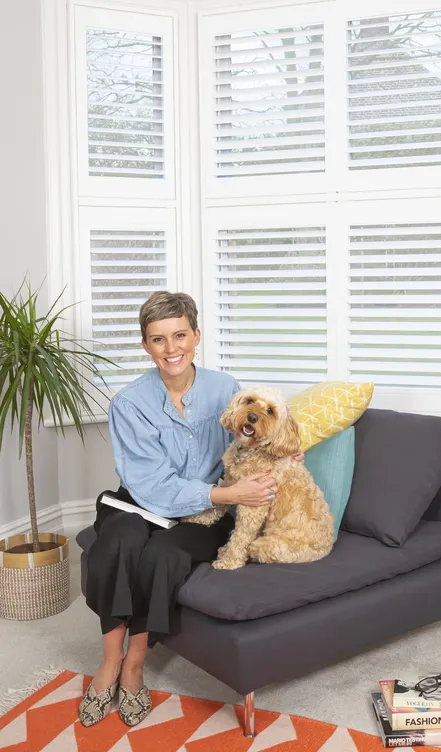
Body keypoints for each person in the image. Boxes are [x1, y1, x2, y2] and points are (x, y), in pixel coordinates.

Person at [79, 291, 301, 728]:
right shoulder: (129, 402)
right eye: (158, 339)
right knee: (117, 542)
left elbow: (251, 434)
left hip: (206, 511)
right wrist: (228, 496)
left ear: (196, 336)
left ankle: (134, 667)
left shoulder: (226, 388)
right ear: (146, 345)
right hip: (146, 500)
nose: (171, 348)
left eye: (180, 335)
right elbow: (150, 484)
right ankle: (108, 664)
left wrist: (284, 455)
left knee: (164, 555)